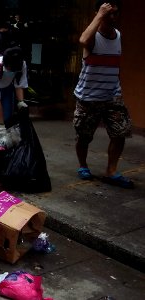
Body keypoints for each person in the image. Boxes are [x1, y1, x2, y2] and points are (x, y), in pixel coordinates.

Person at [73, 0, 133, 188]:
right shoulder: (92, 37)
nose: (112, 18)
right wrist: (99, 14)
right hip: (88, 97)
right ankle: (83, 165)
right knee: (84, 136)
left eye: (115, 13)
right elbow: (83, 40)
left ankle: (111, 170)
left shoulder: (118, 36)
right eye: (108, 14)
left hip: (112, 95)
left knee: (120, 132)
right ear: (99, 14)